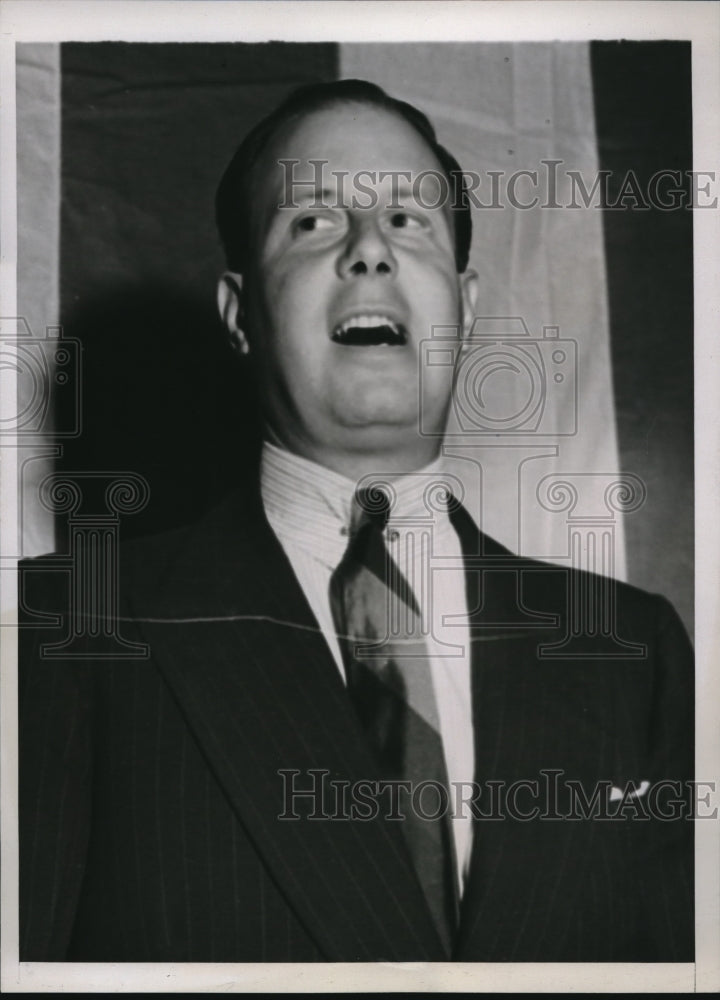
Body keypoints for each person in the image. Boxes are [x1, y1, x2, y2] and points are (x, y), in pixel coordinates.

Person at [19, 79, 694, 963]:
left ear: (468, 302)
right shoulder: (59, 630)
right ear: (240, 315)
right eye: (312, 223)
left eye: (410, 221)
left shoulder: (631, 654)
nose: (370, 250)